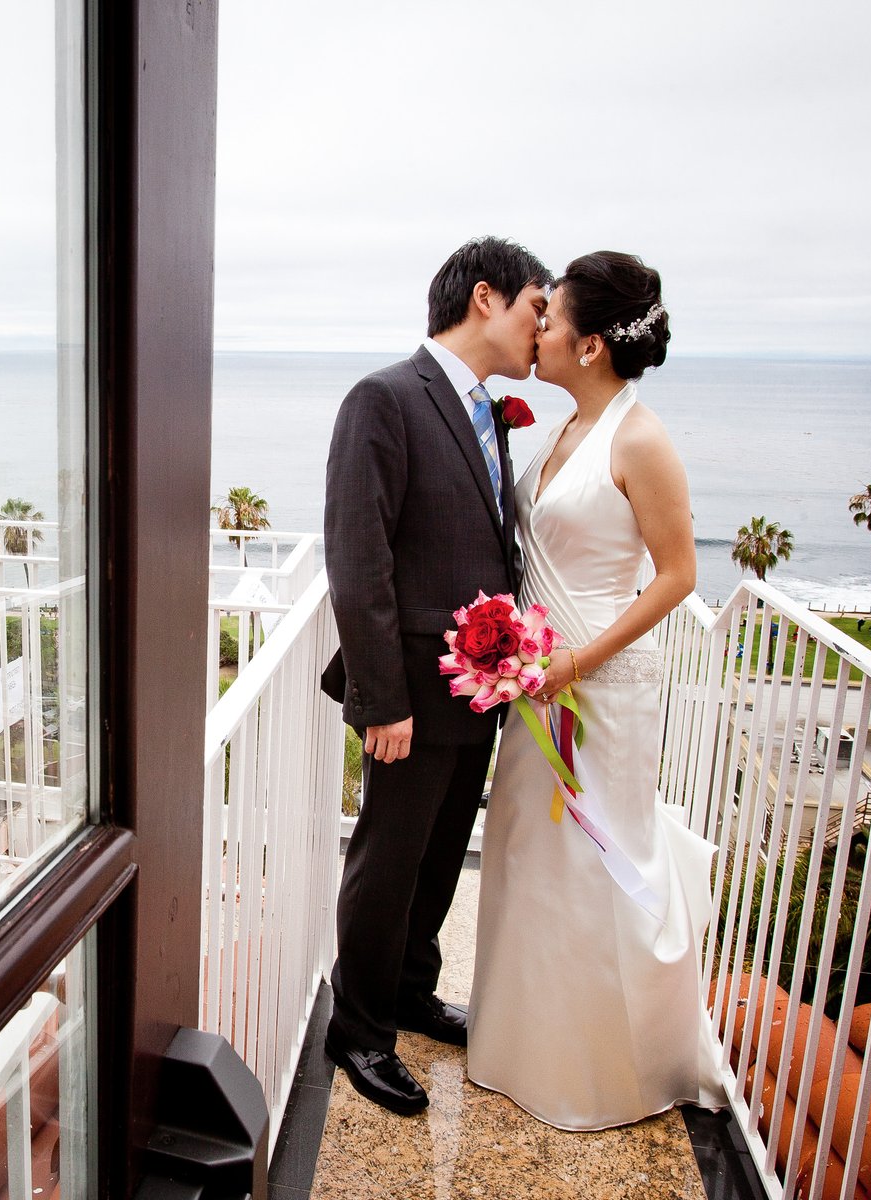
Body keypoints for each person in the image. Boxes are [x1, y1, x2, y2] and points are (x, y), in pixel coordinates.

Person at [464, 251, 726, 1129]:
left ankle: (596, 1072)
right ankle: (520, 1048)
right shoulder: (563, 428)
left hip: (600, 689)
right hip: (535, 682)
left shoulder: (639, 439)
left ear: (590, 346)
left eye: (552, 319)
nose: (537, 330)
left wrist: (578, 661)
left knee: (591, 866)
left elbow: (678, 575)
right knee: (527, 855)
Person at [320, 236, 545, 1116]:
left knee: (443, 852)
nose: (542, 328)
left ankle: (412, 992)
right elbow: (358, 557)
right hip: (410, 692)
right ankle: (359, 1031)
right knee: (388, 860)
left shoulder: (484, 409)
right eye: (535, 306)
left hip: (476, 687)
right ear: (486, 297)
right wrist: (382, 700)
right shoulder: (384, 398)